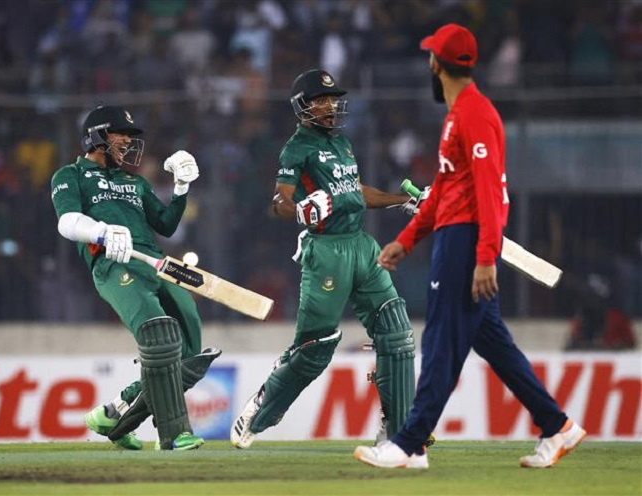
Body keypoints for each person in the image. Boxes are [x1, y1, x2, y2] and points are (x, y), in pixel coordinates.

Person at [354, 24, 586, 470]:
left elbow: (491, 193)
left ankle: (409, 444)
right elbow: (443, 189)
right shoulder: (461, 114)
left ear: (436, 63)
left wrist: (484, 258)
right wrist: (407, 239)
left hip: (464, 242)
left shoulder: (474, 114)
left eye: (430, 56)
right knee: (494, 345)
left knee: (441, 342)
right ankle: (557, 427)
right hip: (456, 236)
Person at [230, 69, 418, 449]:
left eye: (332, 100)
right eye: (321, 100)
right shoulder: (295, 148)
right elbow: (278, 202)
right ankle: (261, 407)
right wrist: (302, 209)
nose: (330, 106)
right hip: (326, 250)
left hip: (362, 245)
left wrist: (408, 200)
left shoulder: (342, 144)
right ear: (303, 108)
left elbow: (357, 191)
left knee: (396, 332)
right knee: (316, 347)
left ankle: (399, 432)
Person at [50, 105, 219, 451]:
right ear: (96, 136)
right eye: (120, 134)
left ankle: (117, 414)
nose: (128, 141)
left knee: (189, 351)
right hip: (113, 265)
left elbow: (167, 226)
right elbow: (66, 223)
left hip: (156, 262)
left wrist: (182, 187)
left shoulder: (135, 181)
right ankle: (173, 434)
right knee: (158, 333)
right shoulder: (70, 175)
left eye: (129, 136)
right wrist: (100, 231)